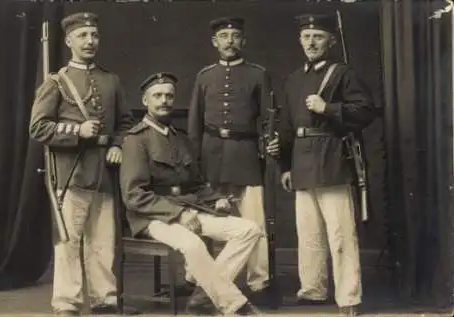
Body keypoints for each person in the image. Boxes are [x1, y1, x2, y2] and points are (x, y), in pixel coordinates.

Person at [120, 72, 262, 316]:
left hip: (188, 208)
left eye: (169, 96)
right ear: (145, 101)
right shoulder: (136, 140)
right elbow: (134, 196)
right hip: (152, 217)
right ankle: (235, 305)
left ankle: (205, 297)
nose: (164, 100)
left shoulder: (180, 139)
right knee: (193, 244)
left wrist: (216, 200)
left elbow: (196, 185)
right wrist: (180, 213)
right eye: (157, 96)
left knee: (249, 230)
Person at [266, 13, 377, 317]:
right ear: (300, 40)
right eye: (306, 36)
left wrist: (328, 108)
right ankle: (313, 290)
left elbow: (366, 112)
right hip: (301, 162)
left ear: (330, 41)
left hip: (331, 159)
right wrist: (285, 166)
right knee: (309, 232)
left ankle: (349, 296)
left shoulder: (343, 74)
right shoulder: (293, 79)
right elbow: (287, 127)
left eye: (318, 36)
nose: (311, 42)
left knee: (341, 233)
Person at [29, 12, 138, 316]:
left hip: (104, 174)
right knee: (68, 242)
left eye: (94, 35)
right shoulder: (57, 82)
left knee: (104, 243)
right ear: (68, 41)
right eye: (82, 36)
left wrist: (117, 144)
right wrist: (77, 131)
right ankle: (67, 304)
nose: (90, 41)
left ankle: (105, 299)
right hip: (71, 174)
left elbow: (126, 123)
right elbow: (38, 128)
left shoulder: (111, 80)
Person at [187, 17, 272, 304]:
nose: (230, 41)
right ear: (215, 42)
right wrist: (193, 160)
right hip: (210, 153)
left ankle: (258, 282)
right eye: (224, 36)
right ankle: (198, 277)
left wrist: (267, 144)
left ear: (243, 41)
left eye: (235, 35)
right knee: (205, 217)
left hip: (245, 152)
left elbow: (268, 118)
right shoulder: (205, 76)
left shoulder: (258, 75)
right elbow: (194, 122)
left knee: (252, 219)